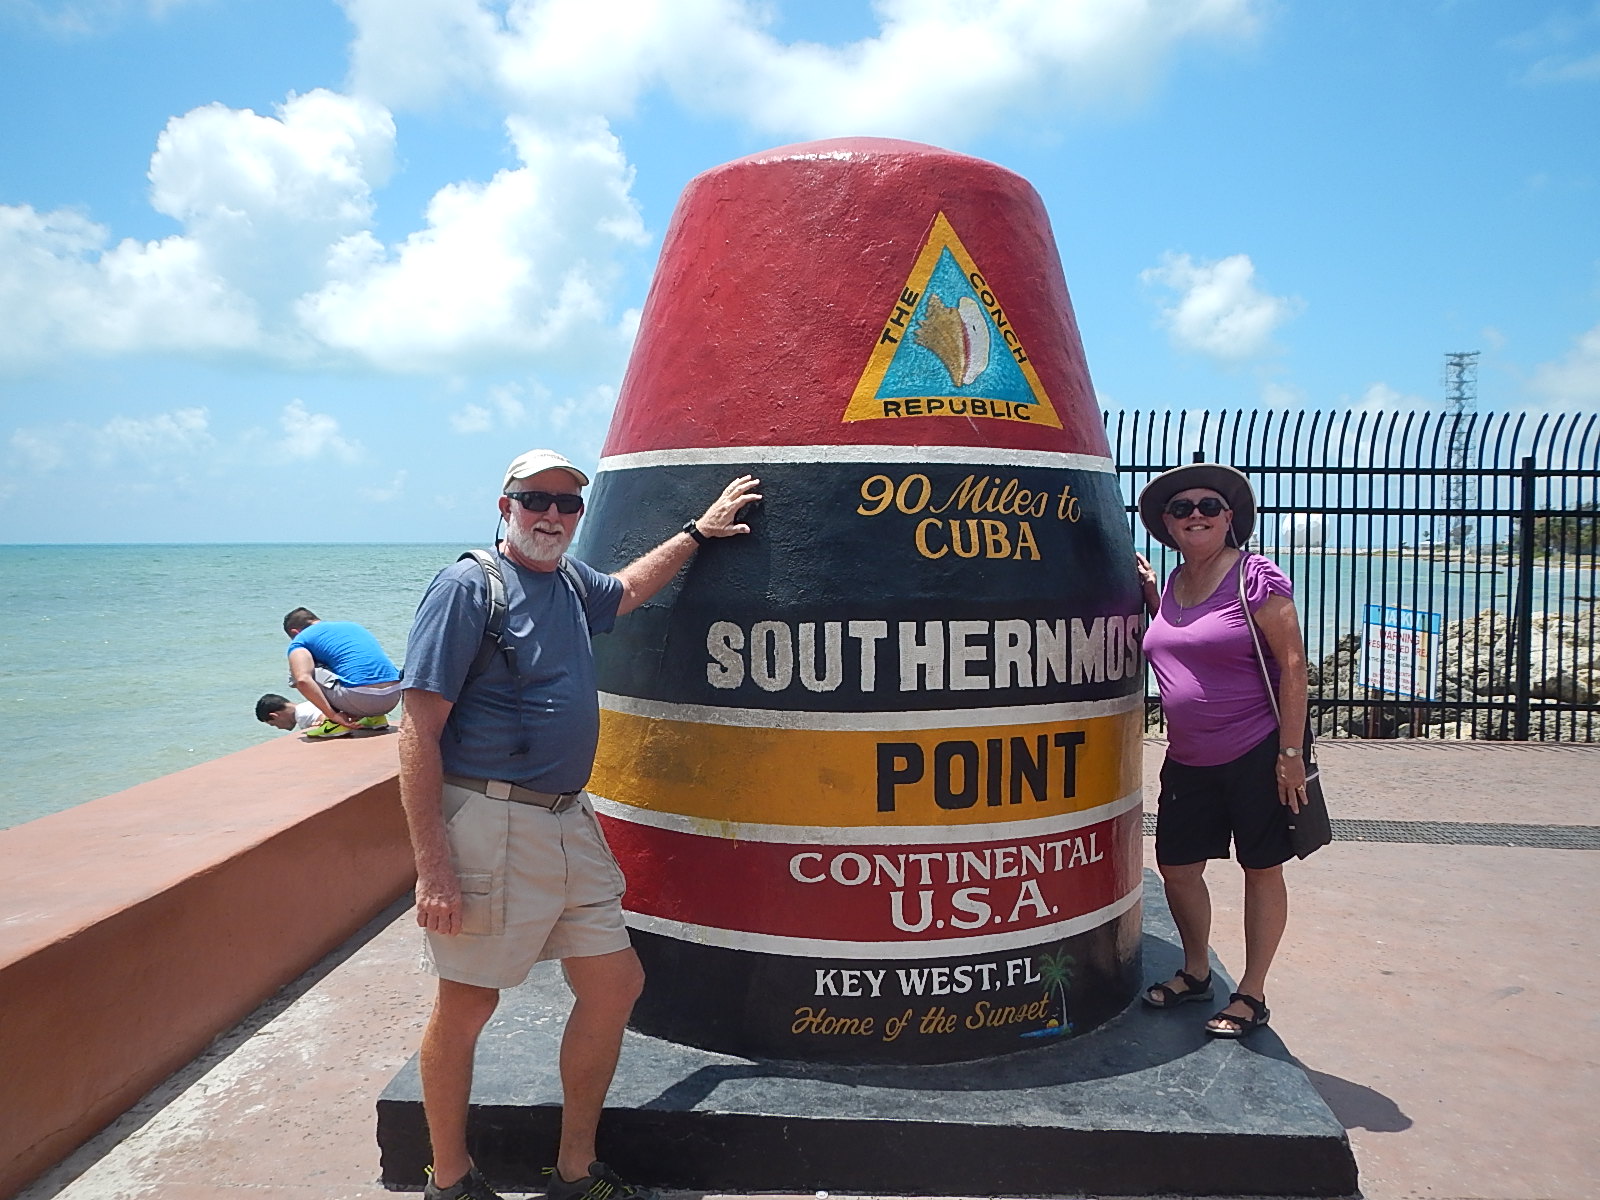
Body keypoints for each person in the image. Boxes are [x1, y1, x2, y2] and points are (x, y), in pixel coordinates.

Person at [400, 448, 762, 1200]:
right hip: (491, 820)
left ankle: (574, 1170)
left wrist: (697, 532)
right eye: (536, 499)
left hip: (569, 818)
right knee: (468, 1003)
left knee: (615, 983)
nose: (552, 515)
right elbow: (417, 731)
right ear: (505, 506)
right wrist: (433, 868)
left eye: (568, 503)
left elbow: (627, 590)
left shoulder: (568, 581)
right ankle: (450, 1179)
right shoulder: (469, 588)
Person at [1133, 462, 1309, 1039]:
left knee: (1261, 868)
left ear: (1228, 517)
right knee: (1177, 867)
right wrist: (1151, 595)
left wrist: (1289, 755)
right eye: (1182, 508)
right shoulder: (1172, 586)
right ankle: (1196, 971)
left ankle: (1252, 993)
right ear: (1167, 524)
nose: (1196, 515)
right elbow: (1180, 640)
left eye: (1208, 506)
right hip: (1187, 757)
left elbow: (1293, 665)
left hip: (1255, 752)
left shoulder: (1255, 576)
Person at [282, 607, 404, 737]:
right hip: (394, 695)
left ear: (295, 632)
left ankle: (334, 724)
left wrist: (333, 715)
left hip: (360, 698)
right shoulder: (353, 626)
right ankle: (375, 718)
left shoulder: (301, 639)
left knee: (299, 671)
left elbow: (302, 680)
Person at [255, 693, 322, 733]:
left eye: (273, 724)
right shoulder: (311, 704)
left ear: (274, 716)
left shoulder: (303, 718)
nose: (279, 728)